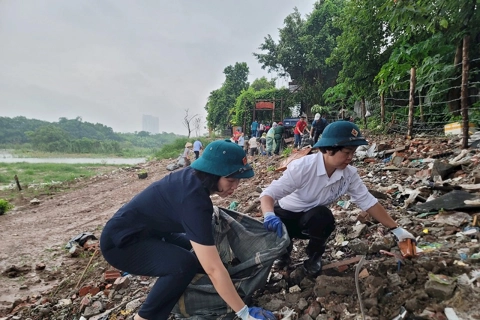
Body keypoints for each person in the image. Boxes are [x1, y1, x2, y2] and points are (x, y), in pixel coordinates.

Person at [100, 140, 275, 320]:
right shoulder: (194, 201)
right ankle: (144, 317)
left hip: (152, 233)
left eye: (238, 180)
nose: (235, 186)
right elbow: (213, 269)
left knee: (199, 256)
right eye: (230, 180)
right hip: (122, 243)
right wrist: (244, 313)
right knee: (184, 265)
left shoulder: (193, 180)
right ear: (213, 174)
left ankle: (204, 297)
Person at [259, 121, 416, 276]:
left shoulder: (348, 175)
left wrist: (397, 229)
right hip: (285, 218)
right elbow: (269, 194)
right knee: (275, 227)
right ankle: (283, 255)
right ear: (328, 149)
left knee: (323, 215)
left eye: (353, 153)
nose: (350, 157)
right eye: (346, 152)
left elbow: (368, 201)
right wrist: (269, 216)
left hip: (310, 220)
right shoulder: (304, 167)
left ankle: (314, 258)